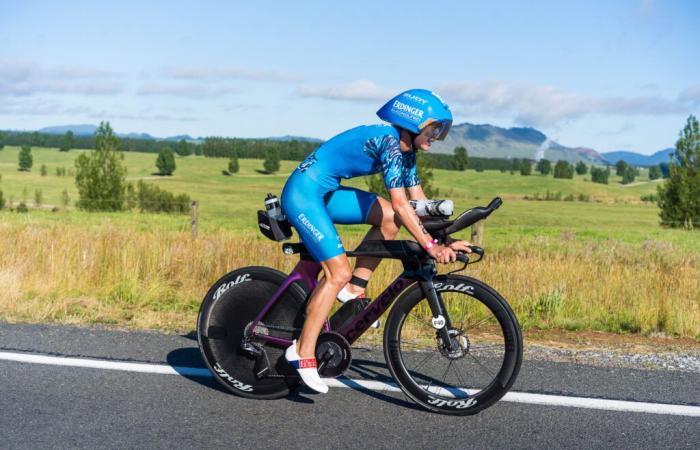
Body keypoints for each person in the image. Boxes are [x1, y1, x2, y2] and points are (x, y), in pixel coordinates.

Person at [281, 89, 472, 393]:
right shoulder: (388, 141)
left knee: (388, 219)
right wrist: (431, 248)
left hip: (327, 191)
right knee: (337, 270)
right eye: (435, 128)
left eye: (442, 131)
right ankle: (302, 351)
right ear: (413, 121)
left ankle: (354, 289)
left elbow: (418, 202)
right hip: (304, 193)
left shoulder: (406, 151)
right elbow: (401, 203)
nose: (437, 136)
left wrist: (446, 239)